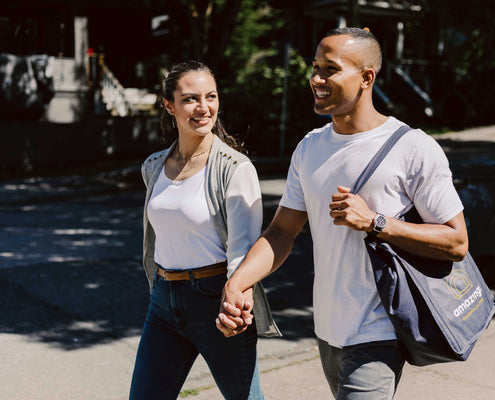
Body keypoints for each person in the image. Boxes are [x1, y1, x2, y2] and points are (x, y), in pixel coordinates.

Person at [216, 28, 469, 399]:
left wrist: (375, 222)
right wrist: (238, 282)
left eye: (330, 70)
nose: (316, 79)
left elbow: (457, 241)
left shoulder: (413, 148)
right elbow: (282, 232)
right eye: (315, 67)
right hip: (329, 331)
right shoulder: (309, 148)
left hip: (379, 332)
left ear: (367, 77)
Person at [130, 60, 279, 400]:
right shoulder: (153, 166)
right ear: (169, 105)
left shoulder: (235, 169)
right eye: (190, 99)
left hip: (217, 298)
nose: (203, 107)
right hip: (164, 302)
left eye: (210, 96)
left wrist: (235, 303)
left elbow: (242, 251)